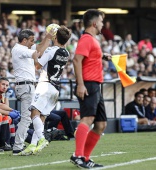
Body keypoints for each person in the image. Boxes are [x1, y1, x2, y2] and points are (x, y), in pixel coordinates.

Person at [19, 25, 71, 156]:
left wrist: (35, 56)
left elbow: (38, 66)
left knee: (33, 112)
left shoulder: (51, 51)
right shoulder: (66, 53)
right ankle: (33, 145)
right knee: (42, 117)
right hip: (56, 88)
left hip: (45, 85)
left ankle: (42, 140)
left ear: (55, 37)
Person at [71, 9, 112, 169]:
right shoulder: (87, 39)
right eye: (101, 22)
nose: (103, 24)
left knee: (101, 124)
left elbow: (87, 56)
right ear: (95, 23)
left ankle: (85, 158)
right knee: (87, 119)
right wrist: (80, 84)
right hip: (88, 84)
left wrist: (101, 55)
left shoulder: (92, 40)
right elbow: (76, 60)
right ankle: (79, 156)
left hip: (95, 85)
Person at [11, 29, 54, 155]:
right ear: (24, 40)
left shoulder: (23, 48)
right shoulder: (19, 49)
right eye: (31, 41)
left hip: (27, 86)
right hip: (26, 86)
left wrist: (48, 37)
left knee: (28, 117)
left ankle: (21, 144)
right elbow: (38, 53)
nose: (32, 43)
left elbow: (40, 47)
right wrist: (46, 41)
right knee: (26, 118)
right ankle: (18, 146)